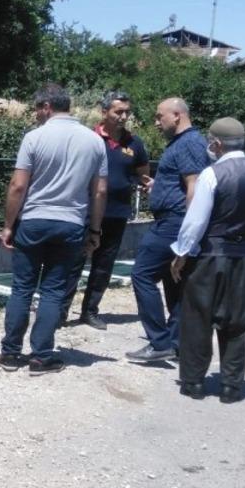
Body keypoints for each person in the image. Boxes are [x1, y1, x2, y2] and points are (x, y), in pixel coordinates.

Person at [0, 84, 108, 373]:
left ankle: (10, 353)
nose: (36, 114)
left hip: (33, 221)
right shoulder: (95, 142)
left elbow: (18, 185)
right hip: (71, 223)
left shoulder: (34, 138)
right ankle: (41, 357)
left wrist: (8, 226)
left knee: (22, 288)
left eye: (37, 108)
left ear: (47, 107)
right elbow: (99, 191)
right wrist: (95, 231)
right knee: (53, 291)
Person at [169, 118, 245, 402]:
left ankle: (193, 382)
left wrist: (182, 253)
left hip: (210, 256)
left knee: (198, 318)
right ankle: (231, 386)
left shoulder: (212, 174)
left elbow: (196, 220)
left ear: (216, 143)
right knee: (238, 323)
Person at [126, 98, 210, 363]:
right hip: (173, 221)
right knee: (174, 281)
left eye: (159, 116)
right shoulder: (183, 142)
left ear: (176, 115)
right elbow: (181, 183)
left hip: (174, 223)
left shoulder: (189, 143)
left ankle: (159, 342)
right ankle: (176, 342)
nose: (156, 121)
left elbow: (194, 186)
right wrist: (159, 185)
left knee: (142, 274)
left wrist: (188, 232)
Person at [62, 91, 151, 330]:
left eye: (127, 112)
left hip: (117, 213)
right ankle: (60, 311)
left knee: (104, 264)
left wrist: (144, 185)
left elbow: (143, 174)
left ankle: (90, 311)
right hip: (85, 211)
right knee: (74, 262)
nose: (123, 117)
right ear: (104, 112)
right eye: (118, 111)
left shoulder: (134, 143)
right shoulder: (88, 139)